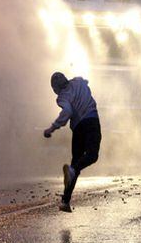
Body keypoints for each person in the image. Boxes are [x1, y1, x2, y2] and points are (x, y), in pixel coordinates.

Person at [44, 72, 101, 212]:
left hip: (77, 129)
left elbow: (67, 111)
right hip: (91, 121)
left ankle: (65, 201)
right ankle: (72, 171)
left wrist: (52, 128)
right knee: (91, 156)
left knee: (75, 163)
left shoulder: (62, 97)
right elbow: (86, 82)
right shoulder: (79, 81)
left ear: (55, 88)